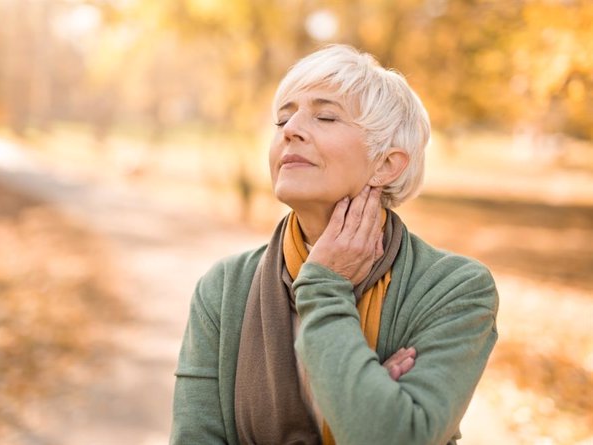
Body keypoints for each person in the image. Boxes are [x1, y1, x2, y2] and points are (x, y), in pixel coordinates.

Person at [171, 44, 498, 445]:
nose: (290, 130)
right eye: (282, 120)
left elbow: (393, 438)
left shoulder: (454, 289)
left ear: (387, 164)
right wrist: (368, 398)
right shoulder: (224, 288)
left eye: (325, 116)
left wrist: (324, 286)